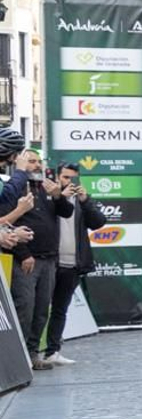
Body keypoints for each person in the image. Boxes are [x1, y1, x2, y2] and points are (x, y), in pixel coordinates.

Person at [10, 151, 76, 371]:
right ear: (20, 163)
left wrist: (58, 196)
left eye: (38, 161)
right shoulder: (15, 188)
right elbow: (7, 224)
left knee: (41, 311)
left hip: (49, 259)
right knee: (25, 309)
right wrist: (23, 254)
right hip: (27, 260)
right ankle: (17, 358)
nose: (36, 165)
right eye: (31, 161)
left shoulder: (47, 187)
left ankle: (32, 354)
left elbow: (67, 212)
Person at [40, 162, 107, 366]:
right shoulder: (48, 197)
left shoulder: (80, 201)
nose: (70, 182)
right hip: (49, 261)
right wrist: (59, 196)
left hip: (73, 264)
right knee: (40, 308)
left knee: (60, 309)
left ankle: (53, 351)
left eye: (73, 178)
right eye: (66, 177)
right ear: (57, 177)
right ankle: (32, 351)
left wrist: (85, 200)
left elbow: (98, 222)